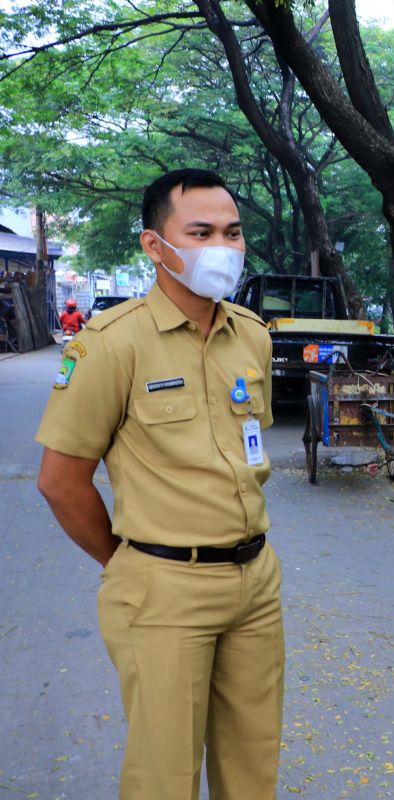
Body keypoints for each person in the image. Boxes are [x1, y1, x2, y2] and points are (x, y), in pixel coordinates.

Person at [35, 169, 283, 800]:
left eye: (232, 233)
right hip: (163, 587)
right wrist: (130, 564)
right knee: (164, 777)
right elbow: (61, 482)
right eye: (200, 232)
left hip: (256, 583)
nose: (221, 248)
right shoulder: (111, 345)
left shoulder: (251, 335)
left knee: (253, 764)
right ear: (155, 245)